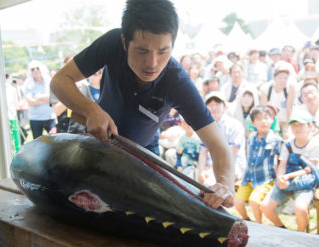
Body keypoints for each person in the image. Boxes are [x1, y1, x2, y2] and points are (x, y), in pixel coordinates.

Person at [50, 0, 235, 209]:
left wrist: (224, 185)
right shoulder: (111, 44)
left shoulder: (177, 82)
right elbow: (59, 80)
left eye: (163, 51)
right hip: (96, 145)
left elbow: (219, 147)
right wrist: (91, 109)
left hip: (143, 157)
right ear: (124, 41)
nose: (152, 63)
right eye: (142, 51)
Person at [261, 111, 319, 232]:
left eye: (300, 125)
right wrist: (280, 178)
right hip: (287, 179)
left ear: (310, 126)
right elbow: (282, 164)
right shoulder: (288, 144)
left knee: (300, 208)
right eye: (294, 125)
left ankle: (300, 233)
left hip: (306, 182)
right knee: (265, 207)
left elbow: (309, 169)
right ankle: (282, 228)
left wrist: (288, 177)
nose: (297, 128)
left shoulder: (316, 145)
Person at [234, 106, 282, 223]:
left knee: (254, 202)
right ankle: (247, 220)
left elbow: (282, 159)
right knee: (238, 203)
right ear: (253, 123)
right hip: (248, 177)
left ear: (272, 120)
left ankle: (258, 225)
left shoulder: (276, 140)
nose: (263, 122)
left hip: (265, 178)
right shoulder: (251, 138)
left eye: (266, 118)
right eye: (259, 119)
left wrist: (279, 175)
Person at [198, 92, 246, 185]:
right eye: (210, 105)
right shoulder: (205, 127)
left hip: (232, 166)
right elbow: (203, 151)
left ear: (224, 107)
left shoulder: (235, 125)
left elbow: (232, 153)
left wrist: (212, 172)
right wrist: (201, 171)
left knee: (209, 185)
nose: (214, 108)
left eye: (217, 104)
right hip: (212, 166)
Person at [260, 63, 296, 139]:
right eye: (280, 78)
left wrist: (289, 126)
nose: (283, 81)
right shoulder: (266, 88)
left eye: (285, 78)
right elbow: (264, 109)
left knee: (288, 137)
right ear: (274, 78)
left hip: (284, 120)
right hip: (271, 120)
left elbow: (289, 109)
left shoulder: (290, 88)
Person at [24, 60, 56, 139]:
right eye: (32, 69)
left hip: (50, 117)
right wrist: (46, 98)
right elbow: (31, 102)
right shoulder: (27, 84)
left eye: (37, 68)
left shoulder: (49, 81)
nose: (35, 70)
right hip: (35, 119)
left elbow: (53, 97)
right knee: (37, 143)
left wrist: (38, 97)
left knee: (55, 142)